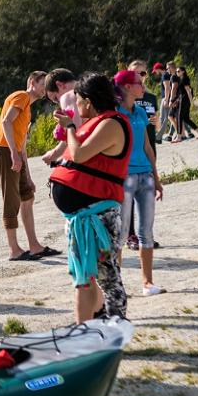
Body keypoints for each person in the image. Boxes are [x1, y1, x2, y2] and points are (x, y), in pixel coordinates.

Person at [49, 74, 132, 321]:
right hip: (82, 214)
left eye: (78, 101)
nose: (76, 107)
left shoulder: (112, 124)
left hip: (99, 213)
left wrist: (71, 128)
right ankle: (89, 326)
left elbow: (80, 153)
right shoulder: (96, 122)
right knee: (86, 278)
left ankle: (117, 325)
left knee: (108, 277)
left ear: (89, 100)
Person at [0, 70, 55, 260]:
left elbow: (22, 143)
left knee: (27, 195)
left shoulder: (27, 107)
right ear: (32, 82)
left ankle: (34, 246)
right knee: (11, 199)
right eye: (42, 83)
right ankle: (14, 250)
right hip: (4, 150)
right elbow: (6, 121)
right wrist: (13, 153)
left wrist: (27, 175)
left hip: (14, 151)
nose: (45, 88)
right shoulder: (21, 96)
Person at [113, 70, 162, 296]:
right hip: (124, 177)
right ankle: (117, 285)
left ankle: (147, 282)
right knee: (121, 233)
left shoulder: (141, 112)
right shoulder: (114, 114)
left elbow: (147, 146)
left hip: (145, 176)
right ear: (126, 87)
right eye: (139, 83)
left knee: (146, 231)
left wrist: (156, 177)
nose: (143, 86)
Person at [172, 63, 198, 140]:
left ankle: (179, 137)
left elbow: (188, 91)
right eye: (176, 71)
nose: (177, 72)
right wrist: (176, 100)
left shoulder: (185, 79)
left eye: (178, 71)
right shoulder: (182, 79)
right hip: (183, 99)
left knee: (179, 117)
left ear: (183, 71)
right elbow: (182, 92)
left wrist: (191, 102)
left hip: (184, 100)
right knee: (186, 118)